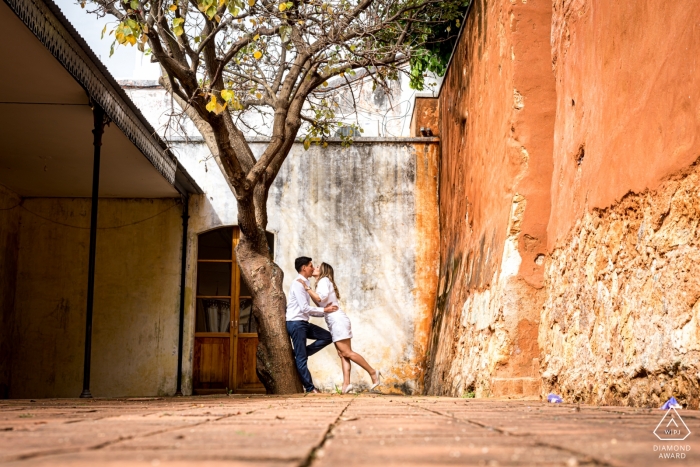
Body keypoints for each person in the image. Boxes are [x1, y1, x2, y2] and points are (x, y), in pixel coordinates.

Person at [300, 262, 381, 394]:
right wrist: (311, 292)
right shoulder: (323, 282)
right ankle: (346, 385)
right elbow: (320, 305)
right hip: (336, 320)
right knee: (343, 354)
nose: (314, 268)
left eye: (317, 267)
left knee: (347, 352)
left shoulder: (324, 280)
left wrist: (307, 289)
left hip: (337, 320)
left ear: (323, 271)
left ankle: (373, 372)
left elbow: (320, 297)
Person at [286, 256, 338, 394]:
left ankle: (299, 352)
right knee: (302, 358)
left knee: (327, 337)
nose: (313, 268)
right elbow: (304, 308)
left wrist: (325, 312)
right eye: (310, 266)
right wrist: (324, 310)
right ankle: (310, 388)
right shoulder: (298, 283)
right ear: (304, 268)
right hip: (296, 323)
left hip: (303, 323)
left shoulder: (305, 284)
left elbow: (307, 310)